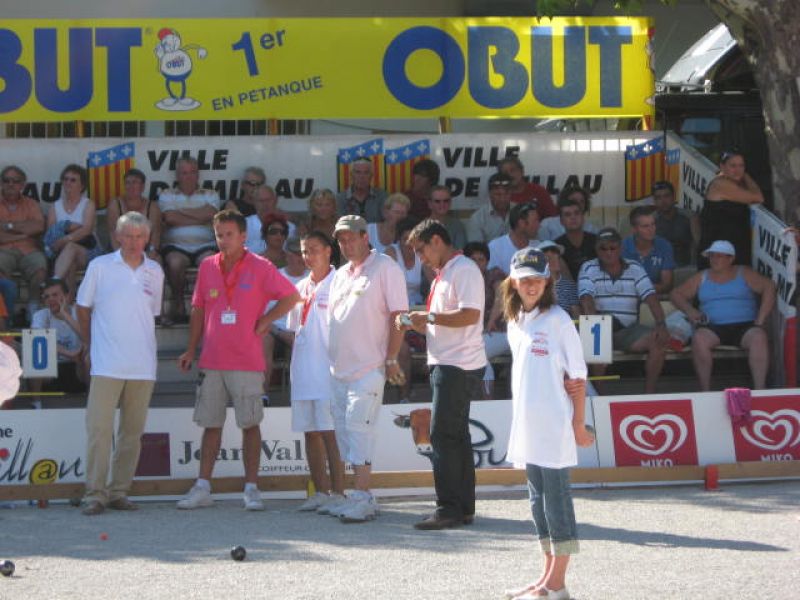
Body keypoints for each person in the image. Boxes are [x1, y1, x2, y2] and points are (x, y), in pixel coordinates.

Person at [176, 209, 300, 511]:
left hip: (247, 359)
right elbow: (198, 309)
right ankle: (203, 486)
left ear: (244, 236)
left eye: (229, 234)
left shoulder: (261, 266)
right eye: (219, 235)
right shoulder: (207, 266)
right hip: (212, 359)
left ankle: (252, 488)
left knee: (250, 424)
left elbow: (292, 296)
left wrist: (266, 320)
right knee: (210, 425)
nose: (224, 240)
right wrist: (191, 349)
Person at [500, 247, 593, 600]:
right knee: (537, 502)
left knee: (557, 501)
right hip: (527, 426)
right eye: (525, 279)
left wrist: (578, 424)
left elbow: (577, 378)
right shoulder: (515, 321)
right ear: (513, 282)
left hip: (555, 426)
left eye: (538, 279)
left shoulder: (558, 320)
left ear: (548, 281)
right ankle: (545, 577)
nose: (531, 285)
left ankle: (557, 583)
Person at [398, 219, 486, 530]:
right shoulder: (449, 272)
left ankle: (448, 508)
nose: (420, 258)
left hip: (457, 364)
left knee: (443, 437)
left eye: (422, 250)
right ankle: (462, 508)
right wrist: (420, 321)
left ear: (437, 241)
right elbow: (449, 318)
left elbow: (470, 315)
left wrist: (429, 317)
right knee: (456, 436)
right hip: (452, 362)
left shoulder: (463, 270)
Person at [76, 212, 164, 515]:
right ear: (117, 236)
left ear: (147, 238)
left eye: (139, 236)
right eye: (127, 235)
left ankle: (118, 492)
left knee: (132, 433)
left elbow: (151, 313)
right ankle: (94, 493)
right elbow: (82, 308)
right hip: (106, 364)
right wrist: (90, 345)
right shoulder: (99, 266)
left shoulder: (155, 270)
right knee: (99, 431)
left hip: (142, 364)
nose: (133, 241)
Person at [324, 215, 408, 522]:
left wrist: (392, 358)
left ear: (365, 237)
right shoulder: (340, 274)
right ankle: (355, 495)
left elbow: (400, 315)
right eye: (341, 240)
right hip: (338, 369)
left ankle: (363, 496)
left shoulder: (386, 267)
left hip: (369, 366)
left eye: (351, 238)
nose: (346, 245)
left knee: (360, 431)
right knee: (346, 434)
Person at [286, 232, 346, 512]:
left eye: (313, 250)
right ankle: (320, 491)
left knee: (330, 433)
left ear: (328, 251)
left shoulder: (340, 283)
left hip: (328, 373)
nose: (308, 256)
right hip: (302, 372)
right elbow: (294, 330)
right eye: (304, 251)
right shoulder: (299, 287)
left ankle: (339, 493)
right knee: (310, 433)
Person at [670, 240, 775, 391]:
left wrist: (761, 319)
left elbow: (769, 286)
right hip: (713, 327)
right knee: (699, 339)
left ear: (730, 258)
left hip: (744, 326)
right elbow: (676, 294)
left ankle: (760, 389)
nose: (714, 260)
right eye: (712, 256)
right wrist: (690, 310)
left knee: (759, 337)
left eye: (719, 256)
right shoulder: (702, 276)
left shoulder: (744, 272)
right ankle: (705, 391)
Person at [578, 228, 668, 394]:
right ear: (596, 249)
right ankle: (599, 397)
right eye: (603, 248)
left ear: (620, 248)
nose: (608, 252)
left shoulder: (635, 268)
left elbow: (651, 297)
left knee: (658, 340)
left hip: (628, 331)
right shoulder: (588, 267)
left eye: (613, 247)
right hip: (600, 326)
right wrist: (595, 323)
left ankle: (649, 396)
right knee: (596, 334)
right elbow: (586, 298)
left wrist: (661, 324)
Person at [159, 157, 220, 325]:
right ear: (177, 175)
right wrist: (200, 216)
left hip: (206, 245)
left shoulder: (210, 194)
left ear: (198, 174)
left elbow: (211, 214)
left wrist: (180, 212)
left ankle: (208, 308)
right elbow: (170, 218)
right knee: (175, 264)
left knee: (211, 264)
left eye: (192, 172)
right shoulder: (167, 194)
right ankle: (179, 305)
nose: (188, 176)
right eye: (184, 173)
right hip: (176, 246)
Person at [699, 151, 764, 268]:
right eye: (733, 166)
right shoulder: (721, 184)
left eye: (741, 166)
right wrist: (746, 175)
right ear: (722, 167)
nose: (737, 170)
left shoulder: (735, 183)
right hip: (719, 255)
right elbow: (758, 197)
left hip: (734, 251)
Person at [262, 237, 307, 401]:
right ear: (287, 255)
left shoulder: (314, 277)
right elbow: (262, 314)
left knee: (308, 343)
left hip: (303, 331)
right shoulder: (274, 276)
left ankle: (304, 397)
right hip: (274, 329)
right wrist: (278, 331)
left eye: (303, 253)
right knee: (263, 339)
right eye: (295, 254)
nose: (300, 258)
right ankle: (262, 396)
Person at [46, 164, 100, 297]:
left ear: (82, 186)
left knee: (70, 247)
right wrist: (72, 228)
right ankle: (68, 301)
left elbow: (86, 230)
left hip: (88, 250)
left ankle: (54, 282)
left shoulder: (88, 204)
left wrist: (65, 238)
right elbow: (51, 233)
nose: (68, 182)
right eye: (65, 179)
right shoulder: (55, 206)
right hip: (62, 253)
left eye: (73, 180)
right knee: (70, 263)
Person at [0, 165, 46, 319]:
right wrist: (23, 234)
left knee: (40, 267)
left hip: (29, 250)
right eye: (6, 180)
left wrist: (8, 226)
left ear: (23, 185)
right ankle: (6, 315)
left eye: (15, 181)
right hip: (3, 250)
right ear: (1, 183)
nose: (11, 184)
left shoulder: (31, 204)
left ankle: (33, 309)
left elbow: (38, 226)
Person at [464, 241, 508, 398]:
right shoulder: (461, 281)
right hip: (476, 337)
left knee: (478, 351)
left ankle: (488, 401)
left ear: (487, 262)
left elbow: (502, 296)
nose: (477, 263)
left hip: (501, 331)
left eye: (481, 259)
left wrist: (491, 320)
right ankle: (484, 400)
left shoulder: (494, 274)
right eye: (473, 259)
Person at [30, 278, 88, 396]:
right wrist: (70, 354)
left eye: (55, 295)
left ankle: (90, 398)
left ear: (67, 296)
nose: (50, 299)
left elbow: (87, 337)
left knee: (90, 353)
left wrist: (65, 315)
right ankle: (36, 403)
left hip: (78, 366)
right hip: (51, 369)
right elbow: (38, 341)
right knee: (35, 353)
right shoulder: (40, 315)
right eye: (46, 297)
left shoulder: (78, 312)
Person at [106, 168, 162, 263]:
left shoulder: (152, 207)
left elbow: (156, 233)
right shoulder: (115, 204)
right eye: (127, 183)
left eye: (135, 182)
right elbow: (113, 232)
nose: (131, 186)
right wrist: (122, 255)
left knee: (157, 261)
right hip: (120, 249)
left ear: (142, 186)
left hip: (145, 249)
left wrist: (152, 252)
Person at [622, 206, 676, 295]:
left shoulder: (664, 246)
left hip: (657, 296)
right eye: (645, 226)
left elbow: (666, 285)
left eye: (653, 224)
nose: (651, 229)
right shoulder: (622, 248)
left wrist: (639, 289)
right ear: (634, 229)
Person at [652, 181, 696, 267]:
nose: (663, 201)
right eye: (658, 197)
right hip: (660, 267)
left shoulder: (689, 217)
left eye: (666, 196)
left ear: (673, 197)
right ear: (654, 200)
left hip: (686, 267)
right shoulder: (650, 220)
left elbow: (698, 244)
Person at [488, 203, 541, 275]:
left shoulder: (539, 247)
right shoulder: (495, 247)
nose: (539, 225)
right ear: (521, 223)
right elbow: (493, 277)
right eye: (535, 221)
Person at [555, 196, 597, 280]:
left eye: (577, 213)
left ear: (583, 218)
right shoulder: (555, 247)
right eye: (567, 214)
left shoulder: (597, 241)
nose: (573, 217)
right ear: (561, 221)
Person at [336, 157, 387, 223]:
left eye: (366, 173)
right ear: (351, 175)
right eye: (358, 172)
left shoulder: (383, 197)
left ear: (371, 176)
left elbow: (388, 224)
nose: (362, 177)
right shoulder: (340, 199)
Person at [538, 241, 580, 318]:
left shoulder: (569, 285)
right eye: (549, 258)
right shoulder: (535, 286)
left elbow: (576, 315)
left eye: (557, 257)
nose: (555, 260)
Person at [467, 172, 513, 243]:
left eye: (506, 194)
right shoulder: (478, 219)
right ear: (490, 194)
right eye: (498, 194)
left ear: (511, 193)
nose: (502, 199)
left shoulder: (521, 213)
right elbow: (476, 248)